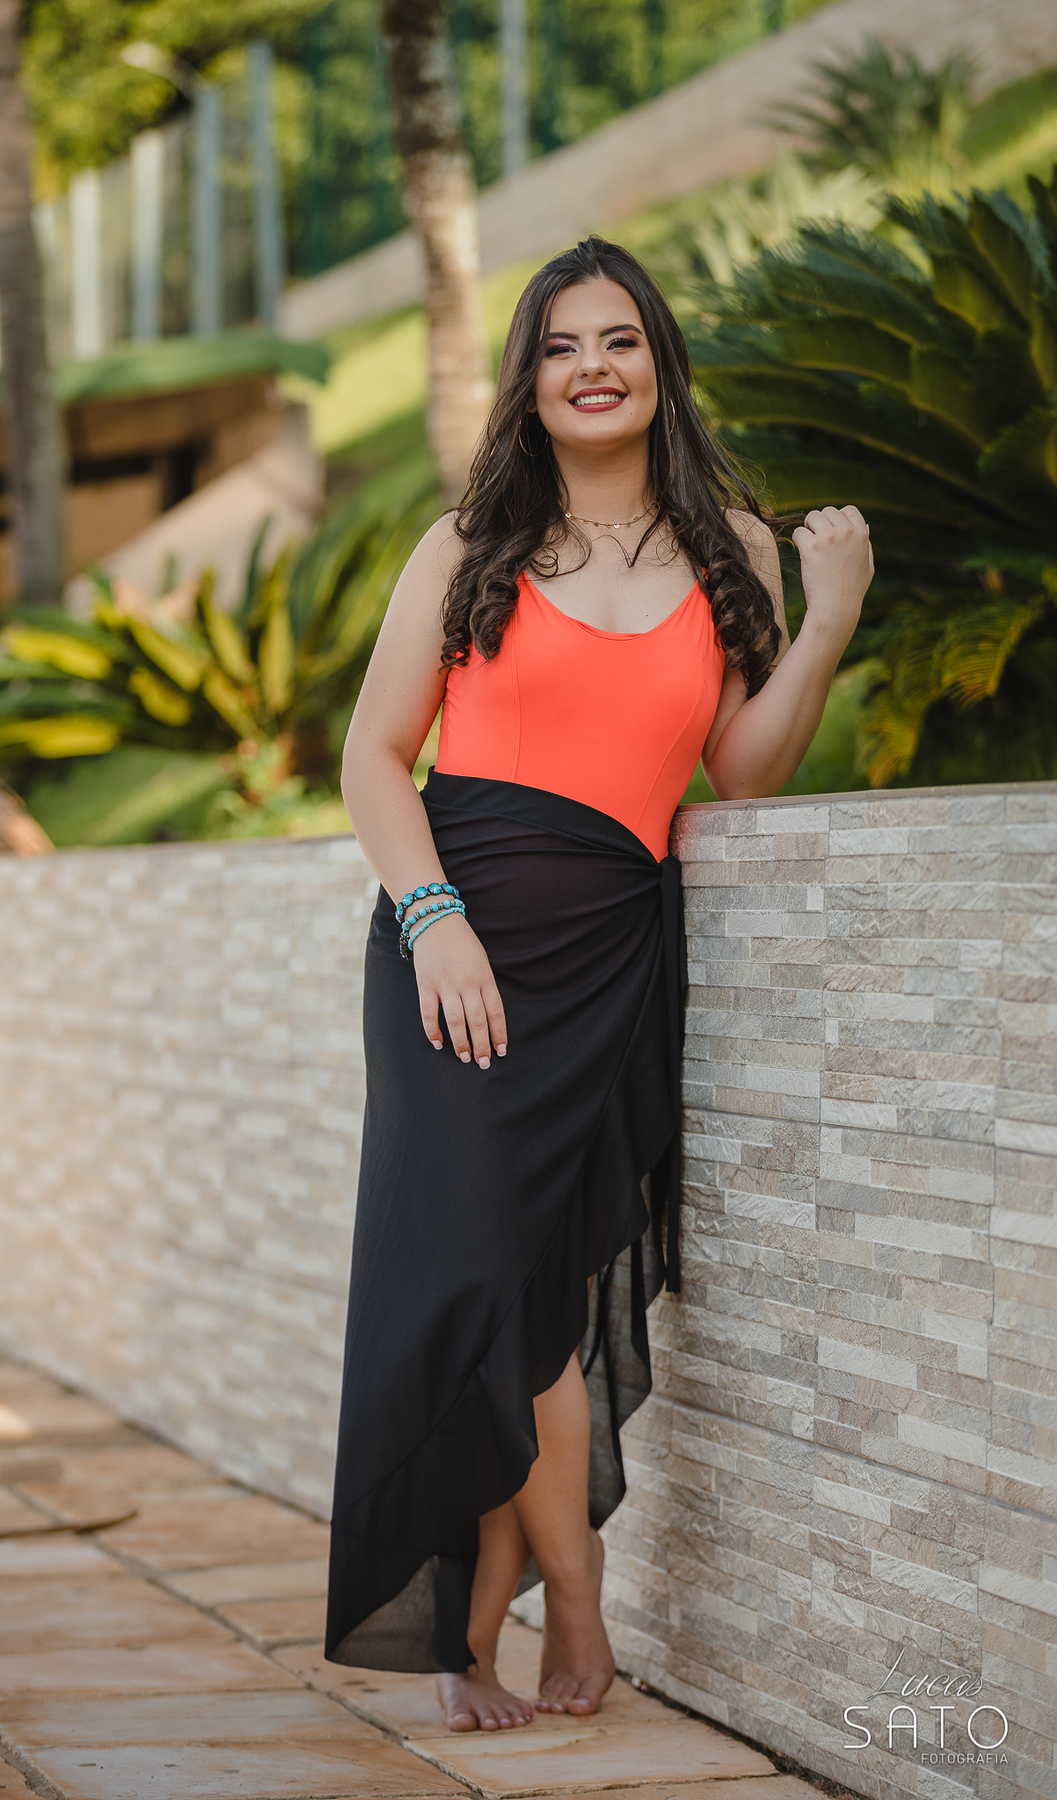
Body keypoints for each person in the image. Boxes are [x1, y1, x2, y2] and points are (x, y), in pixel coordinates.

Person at [325, 237, 873, 1733]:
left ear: (658, 363)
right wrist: (432, 917)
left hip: (611, 955)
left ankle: (513, 1619)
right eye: (562, 345)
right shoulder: (466, 544)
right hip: (457, 948)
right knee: (472, 1291)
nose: (592, 367)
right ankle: (544, 1600)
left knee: (544, 1307)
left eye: (618, 340)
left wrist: (823, 620)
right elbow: (374, 757)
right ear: (530, 373)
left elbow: (743, 772)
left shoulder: (731, 555)